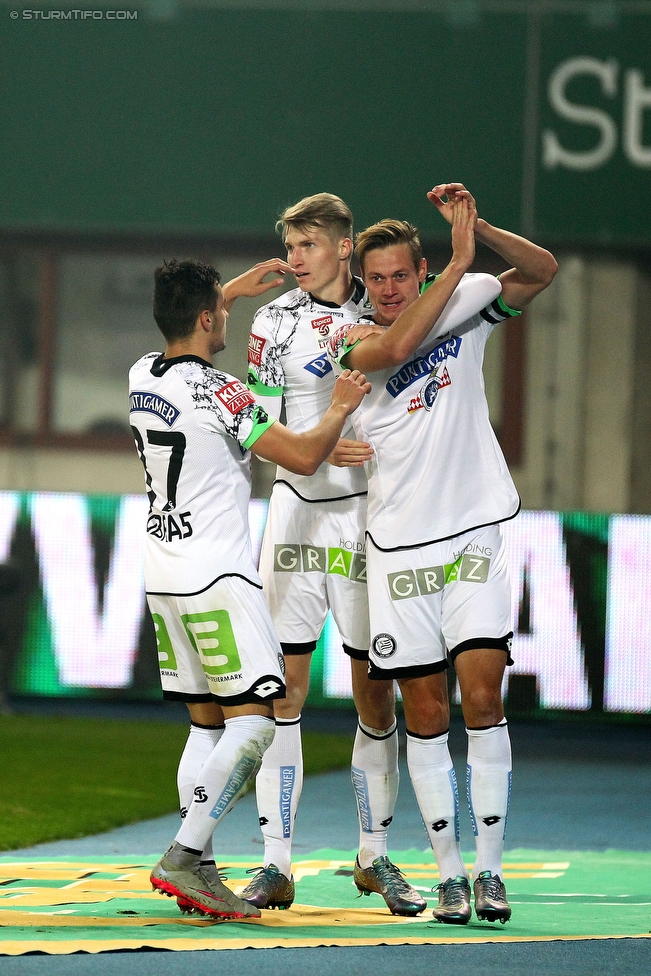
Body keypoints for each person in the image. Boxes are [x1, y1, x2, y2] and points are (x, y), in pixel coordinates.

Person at [329, 184, 558, 924]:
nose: (390, 290)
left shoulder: (462, 299)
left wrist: (478, 229)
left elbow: (542, 270)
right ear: (366, 285)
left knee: (483, 699)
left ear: (418, 270)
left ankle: (490, 874)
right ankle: (449, 874)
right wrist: (458, 262)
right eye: (380, 279)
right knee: (423, 715)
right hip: (397, 548)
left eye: (403, 275)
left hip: (475, 536)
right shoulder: (350, 341)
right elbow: (395, 349)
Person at [129, 257, 371, 920]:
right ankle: (184, 854)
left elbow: (185, 340)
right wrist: (340, 409)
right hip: (218, 574)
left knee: (205, 724)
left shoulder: (141, 373)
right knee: (258, 719)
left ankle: (200, 868)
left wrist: (225, 294)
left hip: (163, 571)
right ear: (207, 318)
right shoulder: (222, 392)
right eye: (221, 311)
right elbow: (298, 455)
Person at [243, 193, 425, 916]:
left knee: (374, 691)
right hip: (292, 517)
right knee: (278, 692)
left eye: (308, 245)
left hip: (363, 520)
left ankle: (374, 855)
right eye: (290, 246)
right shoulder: (269, 322)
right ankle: (274, 864)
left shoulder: (381, 314)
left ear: (344, 247)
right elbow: (252, 421)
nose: (295, 258)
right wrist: (312, 451)